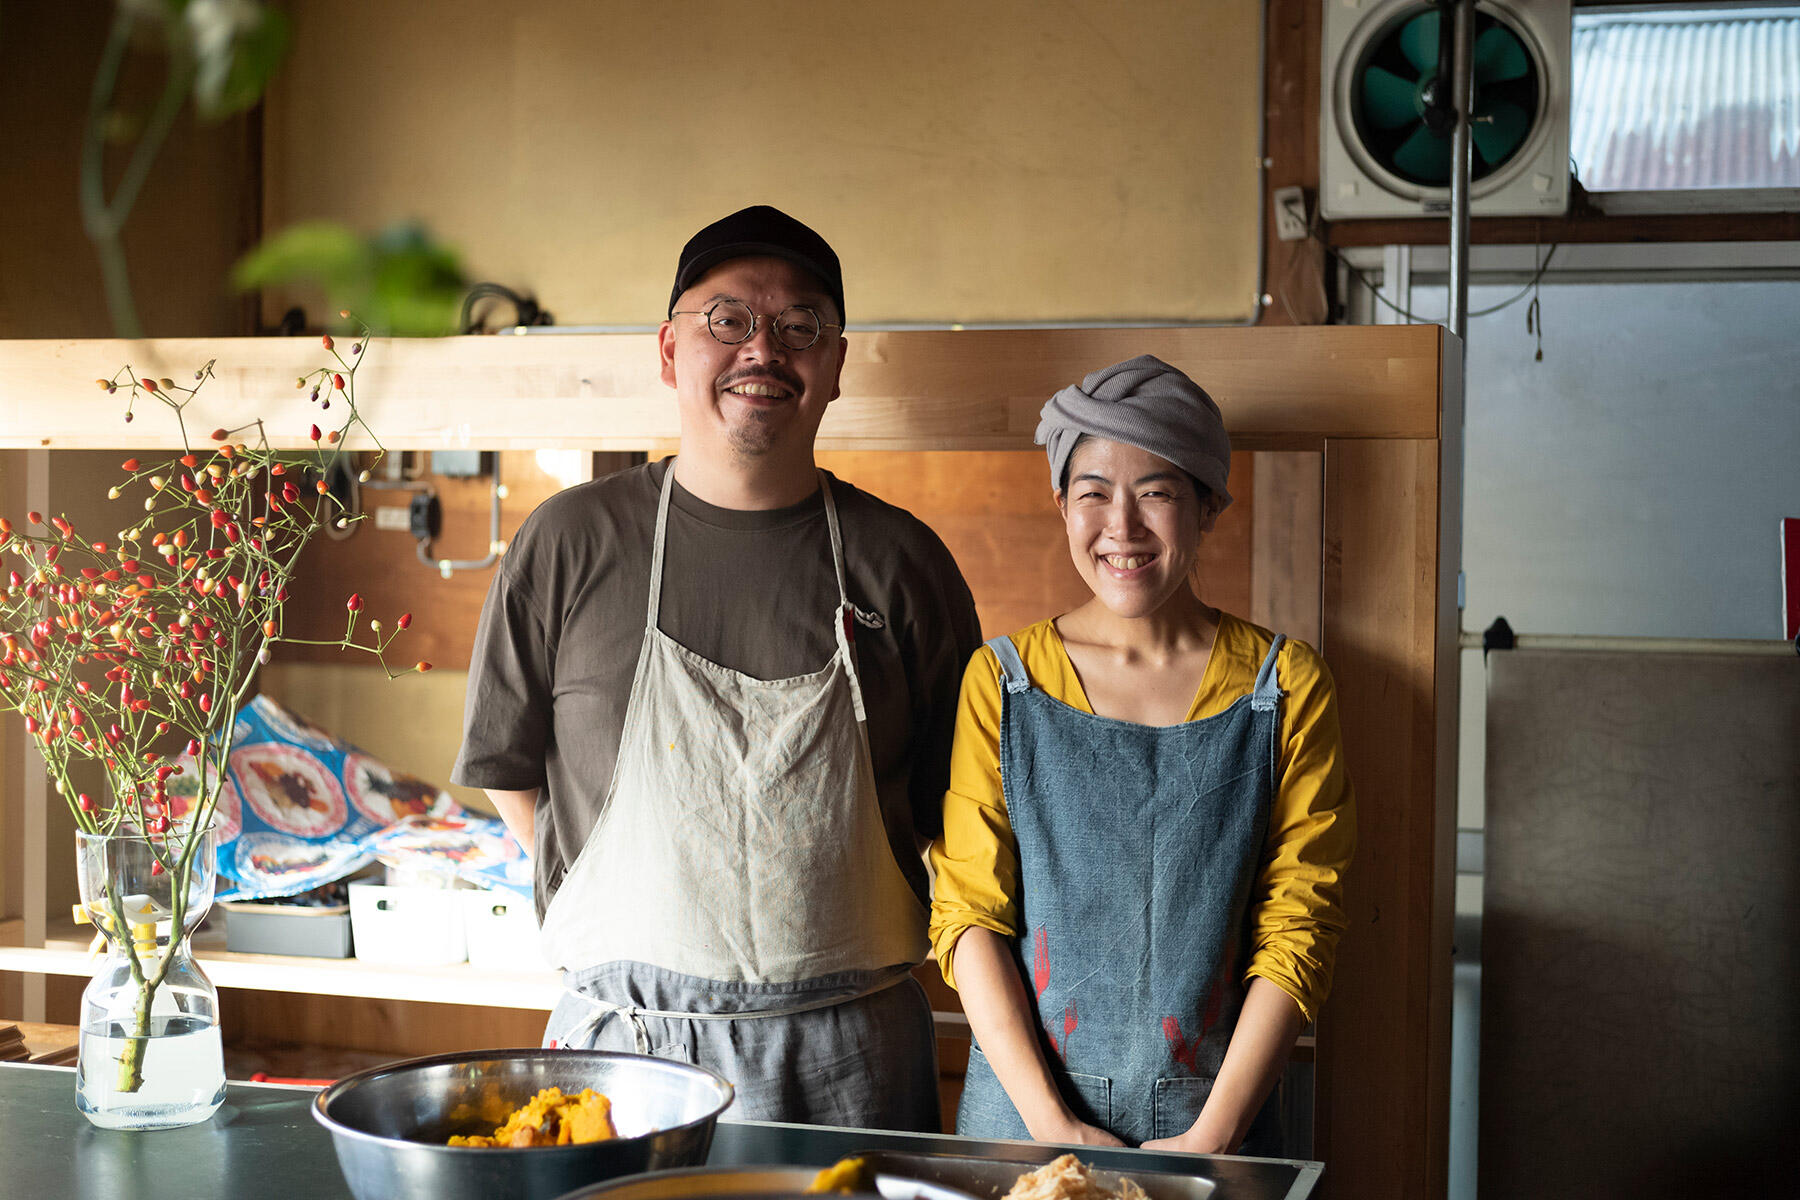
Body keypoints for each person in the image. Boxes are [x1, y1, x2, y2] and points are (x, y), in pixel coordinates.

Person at [452, 205, 982, 1131]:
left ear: (837, 365)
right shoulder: (570, 541)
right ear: (668, 351)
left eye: (799, 326)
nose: (762, 350)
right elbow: (507, 770)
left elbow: (963, 811)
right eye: (727, 319)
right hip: (624, 1057)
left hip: (850, 1058)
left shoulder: (904, 563)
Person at [928, 355, 1355, 1152]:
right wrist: (1055, 1127)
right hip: (1024, 1118)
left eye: (1156, 492)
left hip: (1222, 1121)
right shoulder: (1001, 680)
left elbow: (1302, 925)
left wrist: (1213, 1139)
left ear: (1207, 505)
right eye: (1093, 493)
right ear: (1061, 505)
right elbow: (968, 916)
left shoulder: (1287, 685)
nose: (1121, 528)